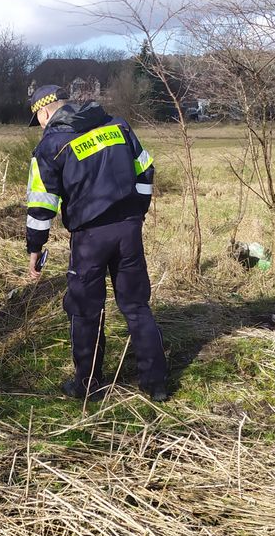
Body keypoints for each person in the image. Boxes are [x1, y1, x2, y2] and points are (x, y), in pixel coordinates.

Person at [23, 85, 169, 402]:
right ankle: (156, 383)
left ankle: (87, 385)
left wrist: (35, 248)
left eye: (39, 119)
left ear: (45, 112)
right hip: (129, 230)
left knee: (85, 310)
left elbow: (41, 206)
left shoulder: (50, 146)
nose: (41, 126)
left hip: (89, 238)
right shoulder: (117, 126)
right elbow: (146, 170)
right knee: (135, 305)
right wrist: (137, 213)